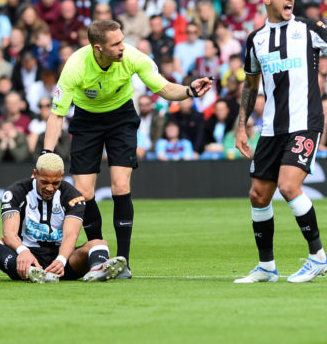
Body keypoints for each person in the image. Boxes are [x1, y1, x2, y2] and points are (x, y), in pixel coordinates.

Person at [43, 20, 213, 279]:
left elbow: (165, 88)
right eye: (116, 44)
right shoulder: (75, 66)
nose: (123, 46)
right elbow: (57, 115)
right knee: (84, 193)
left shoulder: (133, 56)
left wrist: (189, 90)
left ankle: (123, 261)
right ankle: (98, 256)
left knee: (120, 186)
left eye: (122, 40)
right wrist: (47, 153)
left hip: (121, 118)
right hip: (87, 122)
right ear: (98, 48)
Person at [234, 0, 327, 284]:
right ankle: (266, 266)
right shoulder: (256, 39)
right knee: (258, 195)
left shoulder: (309, 29)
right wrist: (242, 126)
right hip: (270, 128)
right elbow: (250, 85)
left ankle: (318, 257)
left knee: (289, 187)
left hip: (305, 123)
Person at [0, 152, 127, 283]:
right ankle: (30, 272)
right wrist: (23, 251)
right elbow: (9, 234)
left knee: (99, 243)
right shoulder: (16, 192)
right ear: (35, 174)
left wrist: (61, 260)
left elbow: (71, 235)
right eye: (44, 182)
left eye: (55, 183)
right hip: (26, 256)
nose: (50, 188)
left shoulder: (73, 196)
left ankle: (97, 270)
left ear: (62, 176)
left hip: (61, 258)